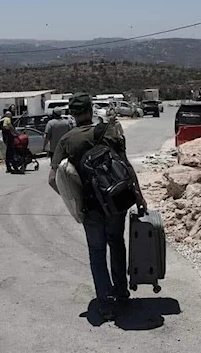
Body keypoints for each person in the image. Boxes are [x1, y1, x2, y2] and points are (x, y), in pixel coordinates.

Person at [48, 93, 147, 320]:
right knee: (117, 243)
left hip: (91, 208)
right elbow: (126, 165)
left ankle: (105, 303)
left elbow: (53, 179)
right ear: (91, 110)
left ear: (72, 114)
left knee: (97, 252)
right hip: (117, 201)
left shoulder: (67, 140)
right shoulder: (109, 130)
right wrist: (139, 197)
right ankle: (121, 292)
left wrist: (75, 203)